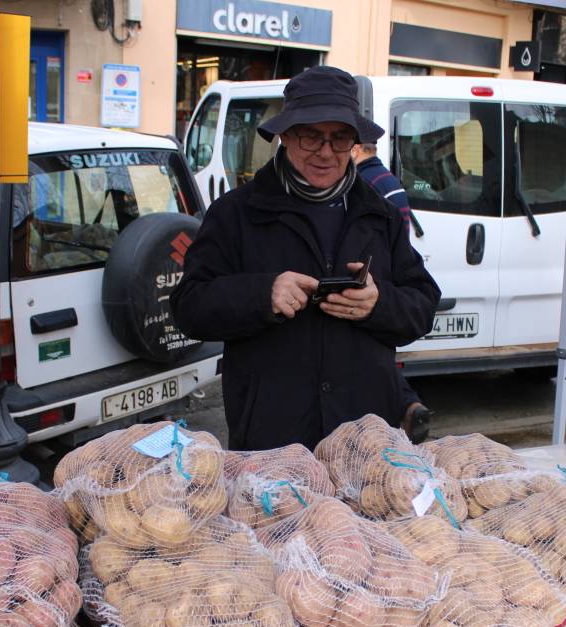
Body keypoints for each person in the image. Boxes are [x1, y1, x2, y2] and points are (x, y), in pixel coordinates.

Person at [170, 65, 441, 451]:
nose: (326, 152)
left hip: (364, 441)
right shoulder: (236, 213)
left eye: (340, 138)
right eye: (310, 136)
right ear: (284, 135)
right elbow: (188, 307)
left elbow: (423, 304)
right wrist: (262, 294)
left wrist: (379, 304)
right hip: (272, 440)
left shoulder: (379, 216)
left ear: (355, 142)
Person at [352, 142, 432, 443]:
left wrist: (380, 298)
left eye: (340, 142)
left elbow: (421, 298)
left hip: (380, 289)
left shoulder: (369, 186)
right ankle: (409, 403)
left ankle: (408, 402)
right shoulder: (388, 179)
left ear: (355, 148)